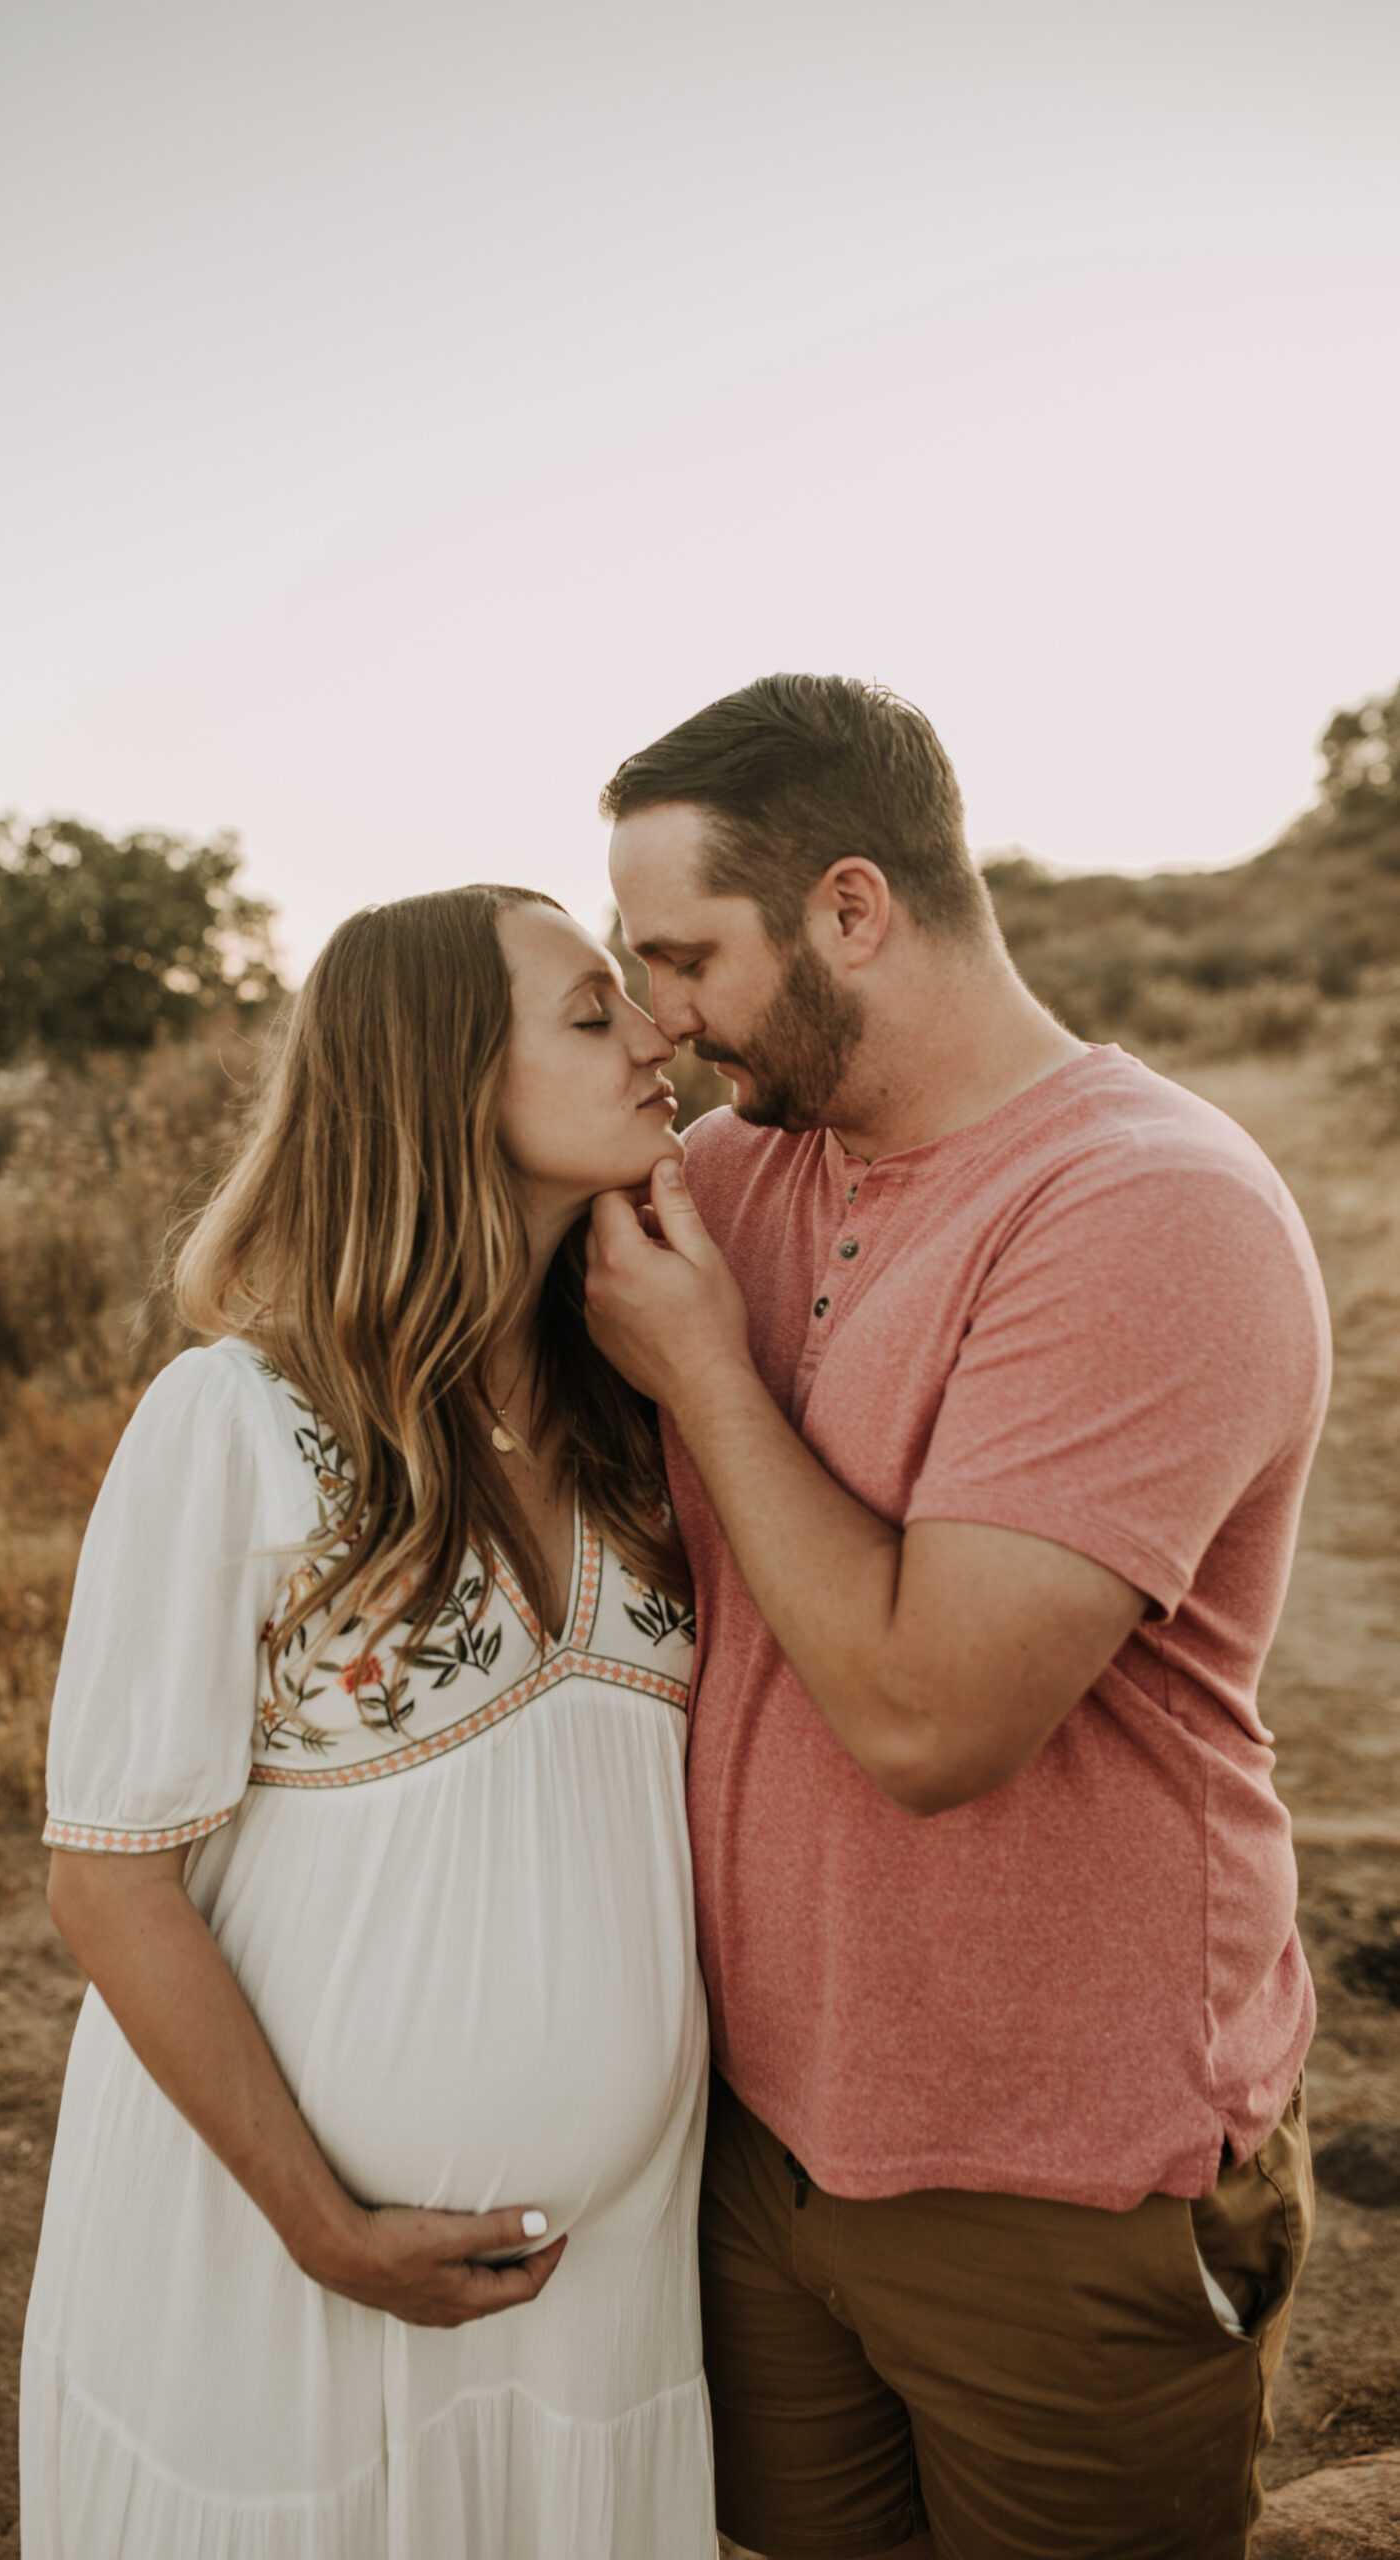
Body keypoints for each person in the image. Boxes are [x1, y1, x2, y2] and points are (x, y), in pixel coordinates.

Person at [584, 675, 1329, 2560]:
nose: (658, 1018)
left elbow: (931, 1725)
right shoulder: (740, 1172)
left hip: (1060, 2175)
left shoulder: (1145, 1210)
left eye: (683, 956)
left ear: (852, 907)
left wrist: (703, 1377)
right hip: (765, 2132)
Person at [19, 886, 717, 2559]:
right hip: (274, 2280)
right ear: (442, 1082)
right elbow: (108, 1880)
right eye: (591, 1010)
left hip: (601, 2301)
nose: (656, 1032)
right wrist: (325, 2226)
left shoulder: (648, 1409)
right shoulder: (237, 1424)